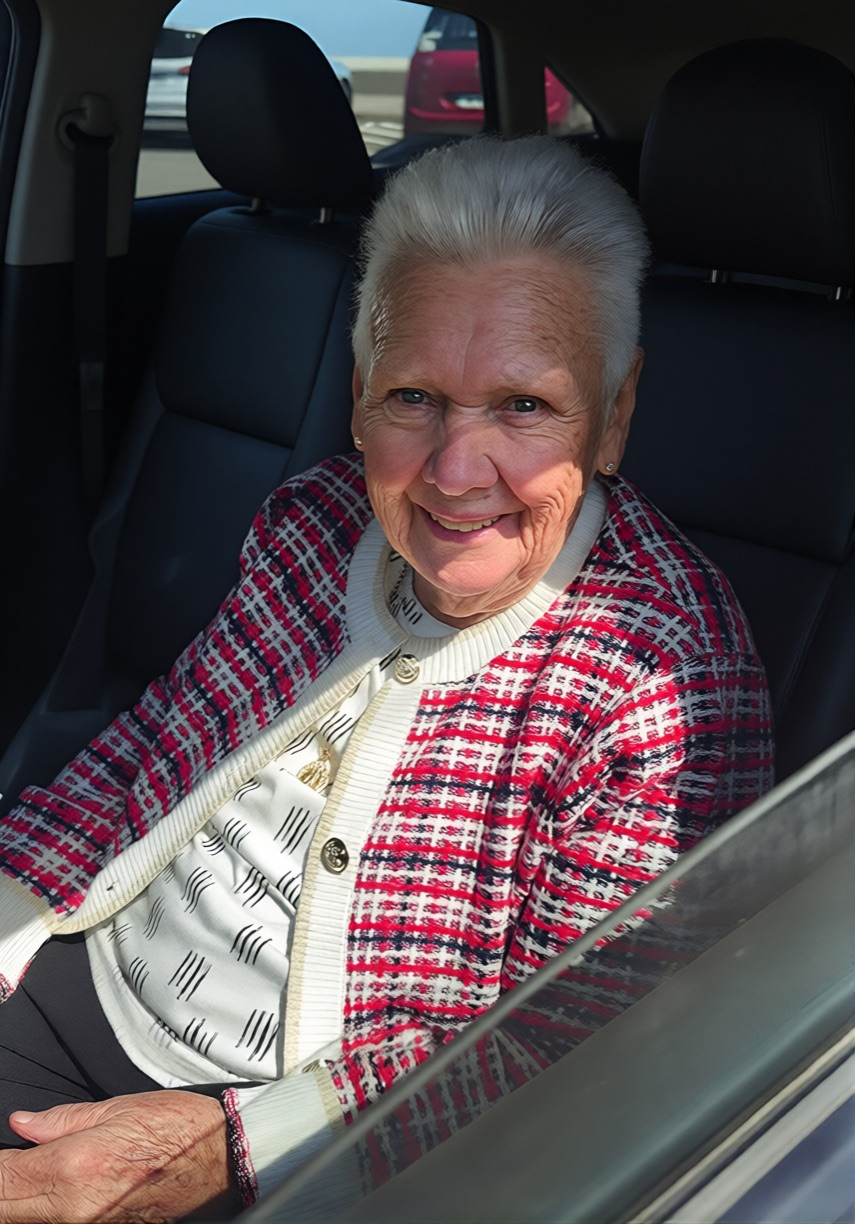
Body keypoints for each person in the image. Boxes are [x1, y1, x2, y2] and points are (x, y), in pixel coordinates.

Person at [0, 135, 773, 1220]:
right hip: (85, 980)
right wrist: (11, 911)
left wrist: (230, 1149)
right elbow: (155, 747)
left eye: (524, 406)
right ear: (360, 396)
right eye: (414, 397)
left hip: (316, 1136)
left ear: (614, 414)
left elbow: (574, 1039)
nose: (456, 472)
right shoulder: (316, 519)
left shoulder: (664, 670)